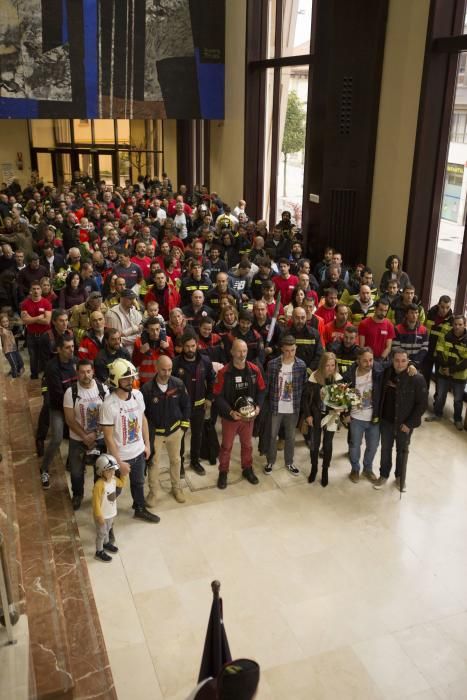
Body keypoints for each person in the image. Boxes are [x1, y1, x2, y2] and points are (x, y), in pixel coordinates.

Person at [100, 359, 160, 522]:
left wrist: (147, 444)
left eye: (132, 377)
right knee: (113, 490)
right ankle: (106, 520)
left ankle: (139, 508)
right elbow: (108, 437)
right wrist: (119, 462)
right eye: (126, 378)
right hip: (119, 457)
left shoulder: (138, 395)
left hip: (139, 453)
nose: (130, 381)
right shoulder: (108, 405)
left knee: (139, 483)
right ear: (115, 380)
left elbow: (143, 420)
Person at [213, 339, 266, 489]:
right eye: (238, 351)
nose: (241, 354)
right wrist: (229, 412)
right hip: (231, 418)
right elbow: (217, 395)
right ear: (232, 352)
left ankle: (247, 469)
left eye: (244, 351)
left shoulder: (254, 370)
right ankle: (223, 472)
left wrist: (258, 408)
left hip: (248, 418)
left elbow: (262, 390)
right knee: (226, 446)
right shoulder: (224, 372)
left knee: (247, 445)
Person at [373, 349, 428, 491]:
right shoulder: (386, 373)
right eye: (396, 360)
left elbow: (422, 404)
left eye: (404, 361)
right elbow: (375, 365)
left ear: (408, 361)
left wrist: (409, 424)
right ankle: (383, 475)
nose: (400, 364)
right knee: (385, 450)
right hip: (386, 421)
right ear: (392, 360)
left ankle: (400, 478)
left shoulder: (417, 378)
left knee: (402, 451)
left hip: (404, 424)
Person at [141, 355, 191, 504]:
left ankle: (176, 488)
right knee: (154, 463)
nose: (167, 373)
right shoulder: (147, 389)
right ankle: (153, 493)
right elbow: (142, 414)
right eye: (163, 370)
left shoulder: (178, 384)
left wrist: (183, 427)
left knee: (176, 460)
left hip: (175, 432)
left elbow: (186, 405)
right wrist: (146, 435)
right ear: (156, 368)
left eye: (170, 369)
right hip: (155, 434)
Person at [63, 359, 109, 510]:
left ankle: (98, 494)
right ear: (77, 373)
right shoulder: (71, 392)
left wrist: (96, 434)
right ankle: (77, 495)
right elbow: (69, 419)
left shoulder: (103, 389)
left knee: (100, 468)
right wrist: (84, 436)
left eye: (88, 371)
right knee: (76, 471)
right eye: (82, 372)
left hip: (100, 438)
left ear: (93, 371)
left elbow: (108, 415)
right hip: (78, 439)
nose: (86, 375)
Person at [172, 333, 216, 476]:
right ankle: (180, 464)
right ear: (182, 347)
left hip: (199, 406)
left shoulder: (205, 361)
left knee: (197, 435)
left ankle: (195, 461)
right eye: (187, 346)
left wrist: (209, 398)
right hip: (181, 408)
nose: (190, 349)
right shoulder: (175, 363)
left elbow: (211, 381)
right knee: (181, 436)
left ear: (197, 345)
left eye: (193, 346)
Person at [263, 335, 307, 476]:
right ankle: (270, 461)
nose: (290, 353)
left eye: (293, 350)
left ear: (296, 349)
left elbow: (304, 387)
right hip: (276, 406)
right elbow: (267, 386)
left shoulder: (301, 365)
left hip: (293, 408)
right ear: (282, 349)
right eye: (287, 350)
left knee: (290, 436)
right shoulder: (273, 364)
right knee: (272, 435)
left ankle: (289, 462)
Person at [300, 352, 342, 487]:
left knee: (328, 444)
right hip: (316, 415)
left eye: (332, 365)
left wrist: (341, 408)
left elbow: (342, 400)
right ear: (322, 365)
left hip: (332, 416)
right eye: (327, 365)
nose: (330, 368)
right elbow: (305, 399)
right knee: (314, 444)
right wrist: (308, 415)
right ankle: (314, 469)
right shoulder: (314, 377)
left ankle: (325, 470)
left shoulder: (338, 378)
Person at [40, 335, 77, 489]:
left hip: (74, 405)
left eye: (72, 347)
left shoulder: (74, 362)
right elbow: (57, 393)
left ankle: (71, 461)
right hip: (58, 407)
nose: (71, 351)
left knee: (75, 437)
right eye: (67, 348)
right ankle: (44, 469)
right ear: (59, 349)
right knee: (56, 438)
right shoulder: (51, 367)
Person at [343, 347, 383, 484]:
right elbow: (342, 396)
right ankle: (355, 469)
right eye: (365, 361)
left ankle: (368, 468)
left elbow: (394, 364)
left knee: (373, 446)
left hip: (374, 418)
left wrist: (411, 365)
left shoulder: (378, 371)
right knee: (354, 445)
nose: (369, 363)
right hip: (356, 418)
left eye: (371, 360)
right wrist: (346, 413)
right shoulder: (349, 376)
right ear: (358, 360)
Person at [425, 315, 467, 430]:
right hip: (443, 372)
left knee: (458, 400)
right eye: (455, 324)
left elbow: (465, 362)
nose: (457, 327)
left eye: (460, 324)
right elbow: (439, 351)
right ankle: (437, 414)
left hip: (459, 376)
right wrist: (445, 368)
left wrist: (451, 370)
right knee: (440, 396)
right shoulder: (445, 336)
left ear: (465, 325)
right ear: (452, 324)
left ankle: (457, 419)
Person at [92, 454, 126, 563]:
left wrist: (124, 474)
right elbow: (96, 502)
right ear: (101, 471)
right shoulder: (99, 485)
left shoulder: (114, 479)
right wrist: (98, 515)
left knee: (108, 529)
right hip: (102, 515)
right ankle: (99, 551)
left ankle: (106, 544)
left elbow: (121, 484)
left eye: (113, 470)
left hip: (110, 512)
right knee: (101, 533)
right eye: (109, 471)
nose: (112, 473)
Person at [20, 281, 52, 379]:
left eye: (38, 289)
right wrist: (38, 317)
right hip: (31, 335)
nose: (36, 291)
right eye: (33, 289)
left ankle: (46, 376)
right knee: (33, 357)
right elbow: (25, 321)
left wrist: (31, 319)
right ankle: (34, 376)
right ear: (30, 291)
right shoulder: (25, 304)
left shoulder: (46, 303)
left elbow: (47, 321)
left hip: (44, 334)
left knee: (45, 357)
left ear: (41, 290)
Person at [422, 295, 453, 388]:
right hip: (427, 351)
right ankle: (423, 399)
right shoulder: (430, 315)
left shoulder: (452, 321)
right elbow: (424, 331)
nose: (444, 310)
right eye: (442, 307)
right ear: (438, 305)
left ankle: (437, 401)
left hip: (440, 355)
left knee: (439, 382)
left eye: (447, 307)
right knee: (424, 378)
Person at [132, 316, 174, 385]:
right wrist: (141, 353)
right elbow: (135, 363)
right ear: (147, 330)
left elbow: (173, 360)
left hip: (163, 379)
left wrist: (167, 349)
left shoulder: (168, 340)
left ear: (160, 328)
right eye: (152, 329)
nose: (155, 332)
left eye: (157, 329)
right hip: (145, 381)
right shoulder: (138, 342)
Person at [104, 288, 143, 355]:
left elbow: (141, 335)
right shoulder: (111, 314)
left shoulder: (136, 313)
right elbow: (115, 339)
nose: (133, 301)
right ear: (122, 299)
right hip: (119, 352)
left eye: (134, 299)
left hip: (137, 349)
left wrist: (123, 339)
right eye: (130, 299)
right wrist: (134, 330)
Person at [392, 304, 428, 368]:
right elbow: (396, 348)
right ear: (406, 314)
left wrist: (413, 363)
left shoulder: (424, 330)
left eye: (416, 313)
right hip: (401, 365)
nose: (414, 315)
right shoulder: (397, 329)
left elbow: (424, 349)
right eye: (412, 313)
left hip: (417, 364)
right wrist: (407, 362)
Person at [288, 307, 323, 372]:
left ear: (306, 318)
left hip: (310, 372)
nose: (300, 321)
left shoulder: (314, 334)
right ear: (292, 318)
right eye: (297, 318)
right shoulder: (286, 334)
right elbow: (281, 353)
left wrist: (309, 370)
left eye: (303, 318)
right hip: (290, 372)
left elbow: (319, 354)